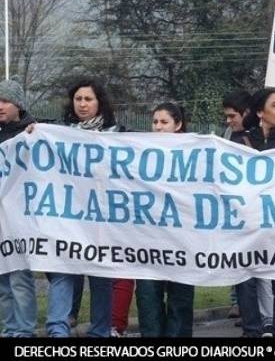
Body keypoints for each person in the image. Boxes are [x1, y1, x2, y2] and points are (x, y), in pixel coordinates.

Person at [43, 79, 122, 337]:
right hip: (67, 217)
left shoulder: (119, 134)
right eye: (78, 99)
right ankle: (57, 330)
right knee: (63, 272)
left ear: (99, 102)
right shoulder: (58, 133)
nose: (83, 104)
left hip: (103, 220)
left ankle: (99, 332)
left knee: (101, 277)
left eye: (88, 99)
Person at [235, 89, 275, 338]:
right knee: (245, 278)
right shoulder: (240, 143)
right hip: (248, 223)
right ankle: (252, 332)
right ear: (260, 112)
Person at [134, 103, 196, 337]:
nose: (158, 127)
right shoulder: (138, 152)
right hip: (148, 241)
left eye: (164, 122)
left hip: (183, 242)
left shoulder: (194, 154)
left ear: (178, 125)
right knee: (148, 301)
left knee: (180, 303)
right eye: (155, 122)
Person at [0, 79, 38, 337]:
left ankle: (24, 332)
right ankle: (9, 328)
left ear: (19, 105)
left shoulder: (33, 133)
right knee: (2, 280)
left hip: (20, 217)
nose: (0, 106)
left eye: (5, 101)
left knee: (19, 278)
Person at [221, 89, 251, 320]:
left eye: (233, 116)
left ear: (247, 113)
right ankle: (238, 302)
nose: (229, 121)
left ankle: (251, 310)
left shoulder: (256, 138)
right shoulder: (228, 135)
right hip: (234, 210)